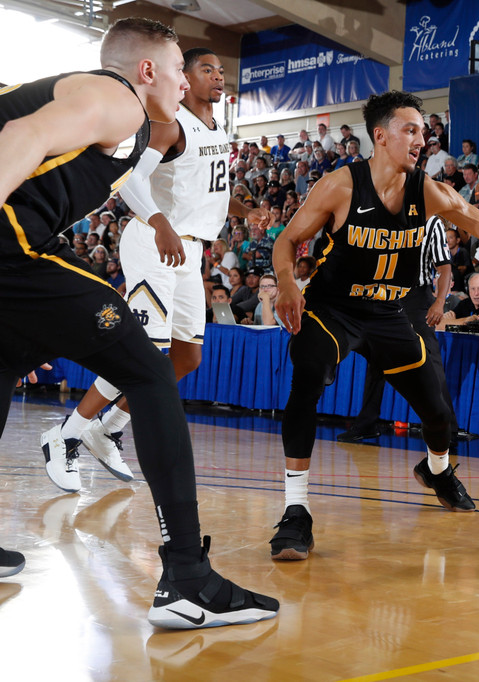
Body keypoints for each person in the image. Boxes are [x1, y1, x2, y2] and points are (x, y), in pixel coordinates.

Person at [0, 16, 277, 624]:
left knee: (7, 362)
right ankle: (185, 578)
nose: (185, 82)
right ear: (148, 71)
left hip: (24, 252)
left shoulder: (135, 117)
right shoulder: (118, 98)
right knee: (150, 375)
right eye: (181, 69)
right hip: (15, 244)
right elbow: (21, 134)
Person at [266, 91, 479, 560]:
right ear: (380, 136)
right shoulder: (340, 186)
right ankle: (296, 512)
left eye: (424, 132)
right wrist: (286, 282)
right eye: (411, 130)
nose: (422, 139)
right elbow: (288, 239)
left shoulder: (429, 191)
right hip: (332, 311)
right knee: (307, 375)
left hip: (388, 313)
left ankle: (438, 469)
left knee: (439, 413)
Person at [40, 47, 267, 494]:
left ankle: (109, 428)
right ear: (184, 76)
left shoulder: (214, 126)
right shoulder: (169, 122)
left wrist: (246, 209)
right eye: (207, 69)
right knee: (146, 348)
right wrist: (159, 222)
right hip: (154, 241)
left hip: (188, 247)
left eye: (222, 70)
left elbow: (210, 191)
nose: (218, 76)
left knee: (187, 356)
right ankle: (66, 433)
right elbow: (131, 179)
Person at [339, 215, 456, 442]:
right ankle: (367, 423)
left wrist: (439, 301)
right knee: (377, 359)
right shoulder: (384, 215)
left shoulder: (431, 222)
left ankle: (446, 428)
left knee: (430, 360)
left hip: (417, 296)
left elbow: (444, 266)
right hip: (386, 293)